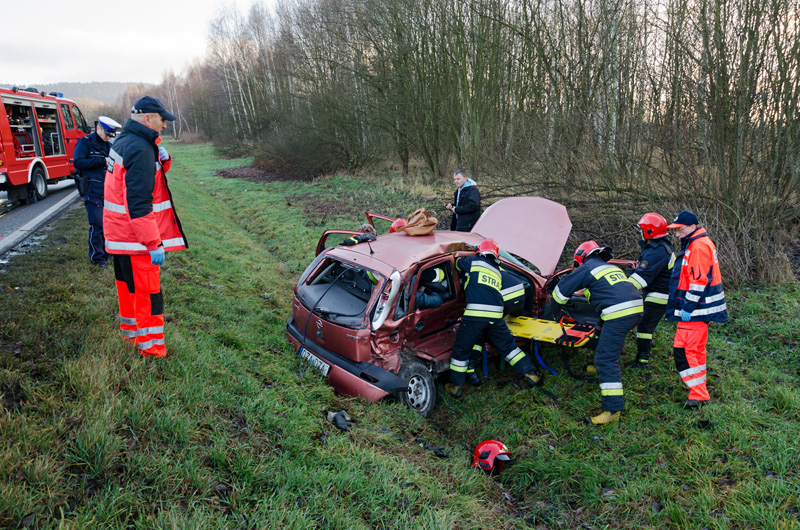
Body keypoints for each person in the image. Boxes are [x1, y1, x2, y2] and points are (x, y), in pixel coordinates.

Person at [103, 96, 185, 358]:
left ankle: (131, 337)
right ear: (147, 119)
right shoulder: (139, 150)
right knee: (148, 295)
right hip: (137, 240)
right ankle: (151, 350)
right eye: (162, 121)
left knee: (128, 290)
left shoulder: (127, 142)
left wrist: (163, 157)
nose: (164, 126)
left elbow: (147, 176)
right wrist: (154, 243)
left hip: (121, 237)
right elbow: (139, 201)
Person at [550, 241, 643, 425]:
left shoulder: (586, 268)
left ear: (580, 258)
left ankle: (612, 410)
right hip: (636, 309)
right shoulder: (609, 267)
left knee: (605, 358)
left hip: (618, 313)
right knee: (601, 333)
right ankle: (600, 368)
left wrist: (556, 314)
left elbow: (559, 293)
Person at [445, 239, 542, 398]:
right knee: (509, 347)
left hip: (475, 315)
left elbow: (457, 263)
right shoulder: (497, 271)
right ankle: (530, 373)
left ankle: (455, 386)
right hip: (496, 316)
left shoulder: (474, 262)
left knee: (461, 350)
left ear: (479, 252)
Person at [665, 211, 727, 407]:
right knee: (693, 351)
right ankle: (699, 393)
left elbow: (698, 281)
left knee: (686, 351)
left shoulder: (698, 246)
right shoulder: (698, 243)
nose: (677, 234)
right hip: (699, 310)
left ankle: (699, 394)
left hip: (695, 310)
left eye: (680, 230)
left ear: (692, 226)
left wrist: (687, 306)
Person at [626, 213, 675, 369]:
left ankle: (643, 361)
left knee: (645, 327)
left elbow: (643, 278)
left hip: (659, 295)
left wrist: (621, 289)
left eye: (642, 229)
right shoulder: (657, 247)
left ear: (649, 231)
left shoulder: (658, 250)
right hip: (655, 292)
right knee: (644, 325)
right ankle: (643, 354)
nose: (640, 232)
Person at [73, 116, 121, 268]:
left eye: (110, 135)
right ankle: (97, 258)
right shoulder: (85, 142)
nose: (108, 137)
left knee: (109, 224)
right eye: (107, 133)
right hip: (92, 189)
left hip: (108, 190)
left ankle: (108, 253)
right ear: (98, 128)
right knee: (97, 224)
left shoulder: (109, 146)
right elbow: (78, 162)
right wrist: (102, 161)